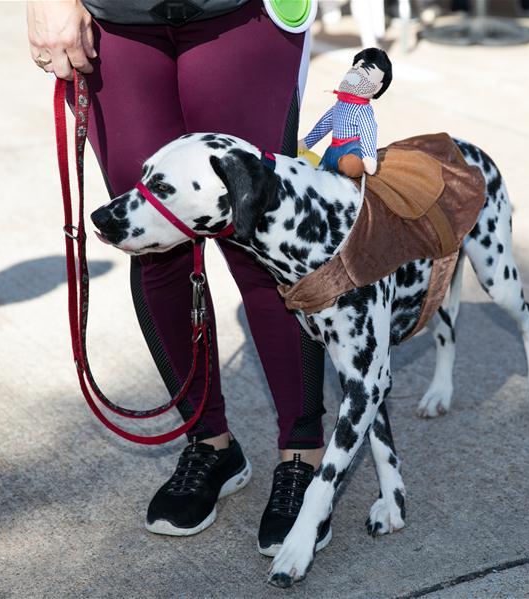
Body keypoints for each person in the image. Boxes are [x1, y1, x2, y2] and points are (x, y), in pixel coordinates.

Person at [26, 0, 330, 556]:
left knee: (261, 242)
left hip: (239, 14)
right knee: (152, 238)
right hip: (117, 19)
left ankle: (303, 452)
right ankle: (211, 443)